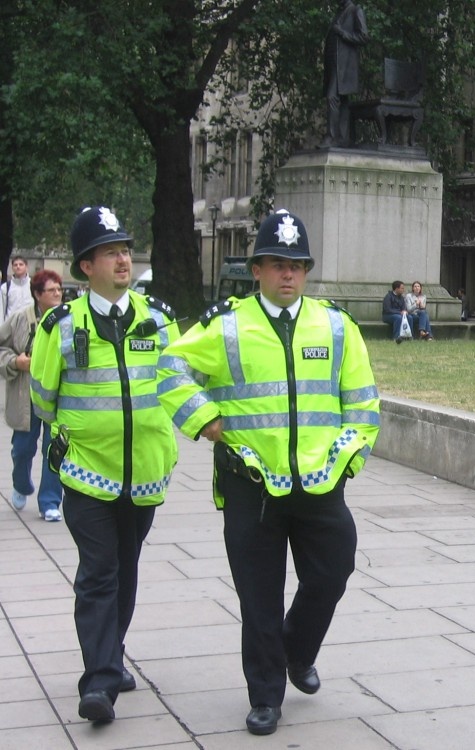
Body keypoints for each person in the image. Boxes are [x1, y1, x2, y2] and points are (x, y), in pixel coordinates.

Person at [156, 209, 380, 736]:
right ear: (255, 269)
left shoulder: (336, 326)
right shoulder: (227, 325)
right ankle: (265, 696)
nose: (287, 275)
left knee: (332, 571)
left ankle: (297, 651)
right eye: (276, 264)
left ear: (306, 272)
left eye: (296, 266)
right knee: (258, 595)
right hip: (250, 483)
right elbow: (168, 367)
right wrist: (204, 418)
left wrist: (347, 456)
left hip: (320, 483)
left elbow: (362, 403)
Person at [30, 206, 179, 724]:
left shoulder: (158, 319)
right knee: (100, 570)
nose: (122, 258)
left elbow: (178, 384)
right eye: (110, 252)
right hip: (87, 472)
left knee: (127, 566)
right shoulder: (60, 324)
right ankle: (98, 682)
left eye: (124, 249)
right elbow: (44, 399)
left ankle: (110, 655)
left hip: (145, 473)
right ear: (85, 266)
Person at [0, 270, 65, 520]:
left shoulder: (68, 319)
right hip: (26, 396)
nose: (58, 293)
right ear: (38, 295)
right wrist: (15, 361)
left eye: (59, 288)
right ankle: (21, 484)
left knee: (55, 449)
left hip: (58, 397)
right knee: (22, 449)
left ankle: (50, 501)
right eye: (52, 290)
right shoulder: (19, 319)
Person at [320, 0, 369, 147]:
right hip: (333, 65)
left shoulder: (356, 11)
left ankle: (331, 137)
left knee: (332, 97)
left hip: (345, 65)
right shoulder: (338, 13)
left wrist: (342, 33)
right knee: (343, 101)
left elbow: (364, 36)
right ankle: (343, 138)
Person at [2, 255, 33, 323]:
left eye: (21, 264)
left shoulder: (34, 285)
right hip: (10, 326)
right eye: (15, 265)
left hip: (30, 325)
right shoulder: (5, 287)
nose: (18, 267)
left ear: (26, 267)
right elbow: (1, 310)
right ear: (12, 268)